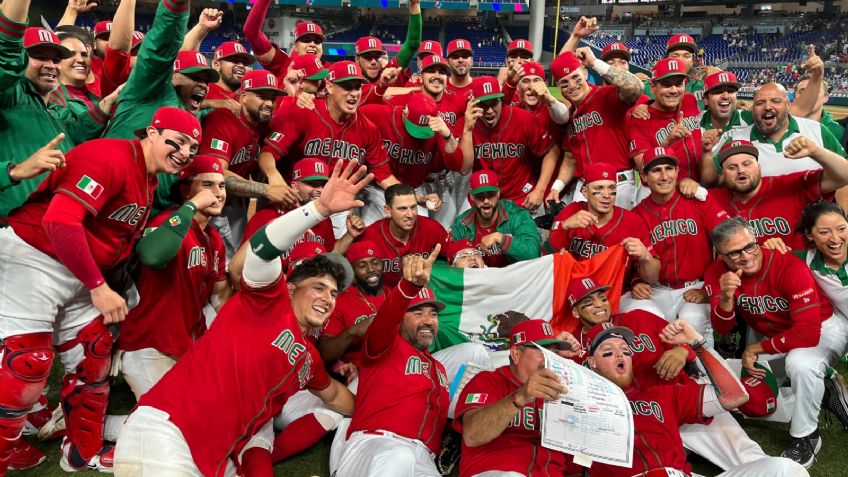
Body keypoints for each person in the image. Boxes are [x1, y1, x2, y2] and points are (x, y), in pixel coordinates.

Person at [113, 160, 368, 477]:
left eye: (333, 294)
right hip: (168, 434)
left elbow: (332, 394)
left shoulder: (307, 357)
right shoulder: (263, 301)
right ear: (290, 289)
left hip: (212, 457)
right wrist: (318, 209)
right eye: (318, 288)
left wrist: (378, 414)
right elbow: (261, 250)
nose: (327, 298)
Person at [0, 106, 202, 474]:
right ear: (151, 134)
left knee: (94, 354)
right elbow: (59, 221)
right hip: (34, 255)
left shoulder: (148, 179)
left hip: (76, 269)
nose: (186, 152)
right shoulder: (108, 155)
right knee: (27, 364)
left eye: (193, 148)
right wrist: (98, 286)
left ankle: (81, 451)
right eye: (180, 141)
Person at [568, 277, 775, 471]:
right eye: (588, 301)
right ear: (576, 312)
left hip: (683, 404)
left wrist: (681, 351)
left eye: (602, 298)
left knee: (758, 462)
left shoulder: (640, 318)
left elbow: (687, 342)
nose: (599, 304)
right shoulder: (573, 349)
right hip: (638, 423)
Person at [704, 217, 848, 468]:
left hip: (821, 329)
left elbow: (807, 333)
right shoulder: (717, 272)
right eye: (735, 252)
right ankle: (824, 389)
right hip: (770, 336)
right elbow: (722, 328)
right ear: (721, 254)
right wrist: (726, 297)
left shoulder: (788, 265)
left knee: (801, 364)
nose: (747, 256)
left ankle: (806, 437)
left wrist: (756, 349)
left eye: (751, 246)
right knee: (749, 401)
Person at [585, 320, 807, 477]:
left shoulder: (661, 394)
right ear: (590, 364)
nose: (620, 354)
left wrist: (697, 343)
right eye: (607, 351)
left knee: (784, 469)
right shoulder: (581, 403)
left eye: (625, 349)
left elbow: (735, 395)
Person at [116, 154, 230, 399]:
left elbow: (220, 293)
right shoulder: (166, 223)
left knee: (214, 410)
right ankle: (94, 426)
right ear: (186, 190)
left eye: (221, 185)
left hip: (187, 344)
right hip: (148, 345)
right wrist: (190, 208)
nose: (218, 193)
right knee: (167, 419)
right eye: (207, 184)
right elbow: (153, 256)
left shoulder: (215, 239)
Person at [336, 245, 449, 477]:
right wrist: (408, 287)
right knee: (400, 456)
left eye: (433, 314)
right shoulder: (383, 346)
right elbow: (385, 320)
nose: (428, 320)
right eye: (417, 313)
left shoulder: (439, 368)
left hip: (424, 458)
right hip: (375, 444)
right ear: (401, 319)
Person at [1, 1, 120, 220]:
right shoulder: (10, 95)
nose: (51, 65)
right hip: (10, 230)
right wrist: (13, 171)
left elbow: (75, 132)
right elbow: (6, 53)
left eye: (56, 59)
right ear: (21, 59)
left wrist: (105, 105)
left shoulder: (53, 111)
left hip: (48, 229)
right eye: (39, 57)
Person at [103, 3, 220, 213]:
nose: (202, 84)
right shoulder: (148, 91)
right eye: (194, 77)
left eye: (206, 79)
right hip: (109, 201)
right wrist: (177, 6)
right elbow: (163, 46)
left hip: (152, 212)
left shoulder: (193, 117)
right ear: (171, 77)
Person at [623, 147, 730, 346]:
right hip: (656, 289)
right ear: (644, 177)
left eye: (669, 168)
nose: (664, 176)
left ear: (677, 172)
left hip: (695, 286)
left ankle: (704, 375)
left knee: (692, 321)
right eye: (656, 170)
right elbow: (633, 261)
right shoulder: (636, 215)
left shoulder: (698, 201)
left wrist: (709, 287)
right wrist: (637, 281)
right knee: (644, 323)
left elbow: (729, 244)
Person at [453, 319, 581, 477]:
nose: (550, 359)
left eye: (554, 353)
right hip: (494, 471)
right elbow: (472, 436)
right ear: (516, 354)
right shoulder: (487, 381)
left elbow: (577, 464)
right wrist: (519, 397)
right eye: (542, 351)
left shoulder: (563, 393)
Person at [198, 69, 287, 257]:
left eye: (273, 98)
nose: (269, 104)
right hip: (208, 204)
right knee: (217, 265)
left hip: (235, 203)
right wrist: (265, 189)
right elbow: (216, 175)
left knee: (236, 260)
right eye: (263, 96)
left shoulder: (261, 125)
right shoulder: (222, 120)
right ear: (244, 97)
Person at [546, 49, 644, 208]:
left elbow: (635, 87)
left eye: (576, 78)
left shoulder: (606, 96)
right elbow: (571, 157)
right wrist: (557, 187)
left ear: (585, 73)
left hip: (617, 185)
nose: (571, 86)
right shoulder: (570, 114)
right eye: (564, 82)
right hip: (584, 186)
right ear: (558, 86)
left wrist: (594, 63)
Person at [710, 137, 848, 250]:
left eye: (747, 164)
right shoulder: (711, 199)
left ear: (759, 167)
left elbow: (843, 176)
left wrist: (816, 152)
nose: (741, 171)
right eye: (732, 167)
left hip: (793, 275)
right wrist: (688, 183)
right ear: (723, 174)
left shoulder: (789, 186)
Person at [702, 83, 847, 185]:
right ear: (752, 109)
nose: (767, 107)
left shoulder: (817, 130)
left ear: (788, 106)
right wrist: (706, 153)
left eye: (775, 101)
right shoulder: (735, 137)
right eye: (760, 103)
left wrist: (816, 151)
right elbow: (713, 180)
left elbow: (844, 174)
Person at [358, 93, 465, 224]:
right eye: (415, 127)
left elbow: (457, 165)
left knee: (418, 233)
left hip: (415, 189)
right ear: (404, 113)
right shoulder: (380, 114)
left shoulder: (437, 128)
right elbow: (352, 115)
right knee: (370, 229)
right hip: (377, 189)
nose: (419, 135)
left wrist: (448, 136)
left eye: (423, 129)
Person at [790, 200, 848, 432]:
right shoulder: (804, 260)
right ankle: (805, 436)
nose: (835, 239)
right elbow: (757, 260)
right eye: (824, 232)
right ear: (810, 235)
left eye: (842, 228)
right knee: (801, 363)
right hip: (839, 324)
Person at [548, 162, 659, 283]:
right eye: (599, 188)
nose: (607, 195)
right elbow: (547, 259)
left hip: (618, 293)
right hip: (575, 291)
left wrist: (646, 257)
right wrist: (563, 229)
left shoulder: (633, 222)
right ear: (585, 192)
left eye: (611, 188)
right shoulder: (570, 212)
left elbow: (652, 278)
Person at [461, 76, 557, 214]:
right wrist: (467, 130)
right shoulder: (467, 124)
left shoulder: (523, 118)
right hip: (484, 202)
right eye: (482, 104)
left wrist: (540, 189)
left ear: (502, 101)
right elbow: (464, 168)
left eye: (494, 103)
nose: (489, 110)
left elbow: (550, 150)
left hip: (524, 198)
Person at [355, 184, 448, 287]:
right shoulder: (370, 236)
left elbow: (454, 253)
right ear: (388, 210)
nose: (410, 215)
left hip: (422, 293)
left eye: (413, 207)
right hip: (385, 297)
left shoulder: (431, 228)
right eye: (402, 209)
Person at [626, 57, 703, 182]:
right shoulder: (640, 120)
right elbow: (642, 166)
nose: (673, 90)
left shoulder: (690, 101)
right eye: (666, 85)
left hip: (699, 185)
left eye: (678, 84)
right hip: (664, 191)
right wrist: (668, 141)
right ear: (652, 87)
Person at [450, 170, 541, 267]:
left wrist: (501, 239)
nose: (486, 200)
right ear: (471, 197)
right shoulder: (462, 222)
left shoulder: (517, 215)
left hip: (515, 278)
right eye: (480, 196)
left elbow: (534, 254)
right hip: (480, 279)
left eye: (490, 194)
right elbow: (444, 254)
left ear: (498, 193)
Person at [319, 240, 389, 367]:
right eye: (362, 266)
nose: (371, 269)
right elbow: (324, 353)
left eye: (375, 262)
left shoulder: (395, 294)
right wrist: (353, 331)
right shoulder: (340, 301)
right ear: (353, 273)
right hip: (361, 371)